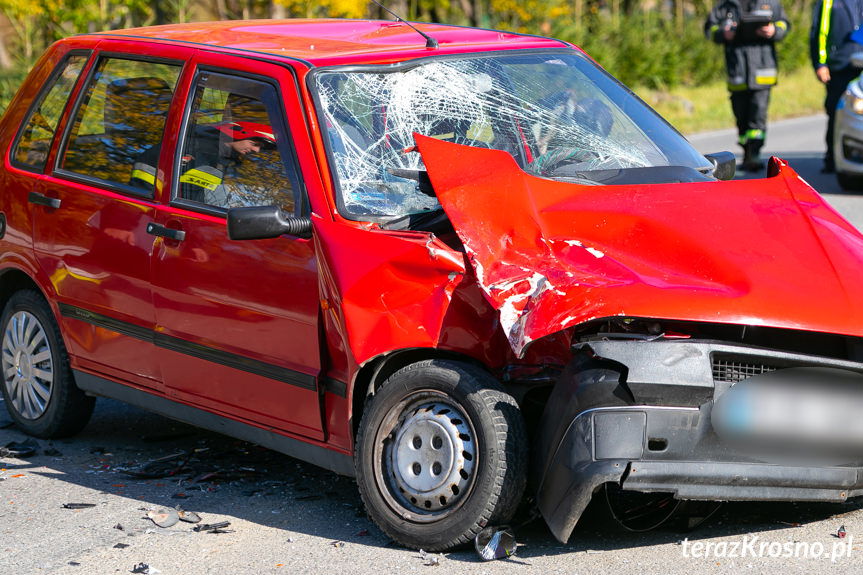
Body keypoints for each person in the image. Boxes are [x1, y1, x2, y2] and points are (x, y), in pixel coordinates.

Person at [705, 0, 790, 172]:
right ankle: (746, 150)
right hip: (738, 72)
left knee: (757, 114)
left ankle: (755, 153)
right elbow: (710, 28)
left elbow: (784, 24)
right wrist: (723, 33)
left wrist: (775, 30)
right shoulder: (725, 6)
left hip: (762, 71)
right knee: (741, 117)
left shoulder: (770, 3)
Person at [809, 0, 863, 173]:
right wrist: (821, 64)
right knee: (836, 111)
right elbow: (819, 32)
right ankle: (832, 158)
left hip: (861, 65)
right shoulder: (828, 2)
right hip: (839, 66)